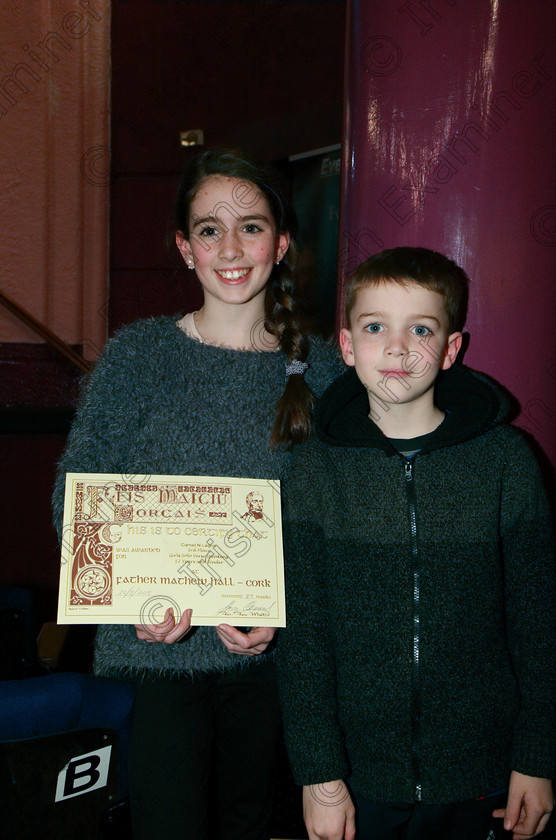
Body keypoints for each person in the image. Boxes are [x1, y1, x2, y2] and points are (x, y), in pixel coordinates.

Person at [52, 147, 343, 840]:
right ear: (185, 248)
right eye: (209, 229)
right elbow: (76, 491)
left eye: (251, 226)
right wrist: (131, 594)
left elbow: (334, 519)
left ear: (282, 242)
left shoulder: (324, 369)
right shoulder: (139, 354)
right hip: (160, 654)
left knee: (251, 824)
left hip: (274, 661)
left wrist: (284, 609)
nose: (231, 247)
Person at [277, 247, 556, 840]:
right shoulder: (312, 472)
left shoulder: (506, 461)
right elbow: (304, 638)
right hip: (358, 780)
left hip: (484, 770)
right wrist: (320, 777)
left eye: (421, 329)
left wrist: (536, 758)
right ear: (348, 345)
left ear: (452, 348)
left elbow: (538, 621)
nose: (398, 348)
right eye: (376, 327)